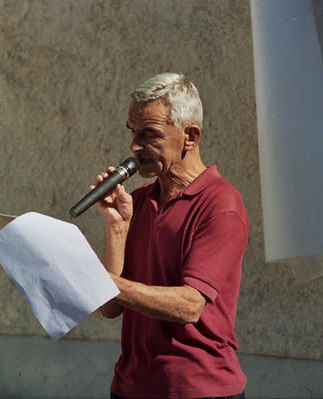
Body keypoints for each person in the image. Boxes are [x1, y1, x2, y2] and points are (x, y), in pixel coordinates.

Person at [93, 73, 248, 399]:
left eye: (149, 134)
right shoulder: (137, 202)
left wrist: (94, 279)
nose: (134, 146)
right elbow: (108, 307)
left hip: (196, 390)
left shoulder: (220, 203)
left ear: (190, 136)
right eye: (132, 132)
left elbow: (191, 305)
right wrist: (116, 228)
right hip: (130, 388)